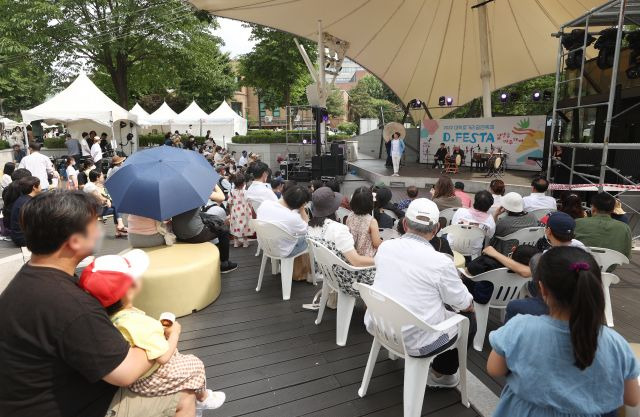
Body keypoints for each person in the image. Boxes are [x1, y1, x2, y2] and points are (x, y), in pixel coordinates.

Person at [0, 191, 198, 417]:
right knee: (183, 395)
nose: (101, 229)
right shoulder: (71, 304)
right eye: (96, 224)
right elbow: (126, 372)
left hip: (28, 400)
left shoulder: (31, 278)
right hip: (71, 406)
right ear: (74, 241)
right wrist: (159, 336)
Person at [487, 247, 640, 416]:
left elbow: (495, 369)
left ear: (542, 289)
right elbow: (632, 398)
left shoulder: (520, 327)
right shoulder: (616, 343)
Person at [79, 251, 226, 414]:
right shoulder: (139, 323)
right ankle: (203, 398)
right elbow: (163, 357)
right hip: (153, 377)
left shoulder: (109, 318)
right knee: (195, 364)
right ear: (129, 289)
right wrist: (175, 332)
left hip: (136, 379)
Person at [365, 198, 475, 387]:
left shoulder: (385, 247)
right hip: (417, 343)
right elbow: (463, 303)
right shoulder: (441, 262)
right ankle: (441, 375)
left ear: (405, 224)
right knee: (469, 320)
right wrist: (469, 306)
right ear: (436, 229)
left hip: (378, 324)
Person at [483, 211, 587, 322]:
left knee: (516, 299)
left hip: (556, 303)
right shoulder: (580, 247)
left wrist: (495, 254)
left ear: (548, 231)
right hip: (580, 298)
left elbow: (526, 272)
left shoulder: (550, 255)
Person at [307, 187, 375, 296]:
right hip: (347, 279)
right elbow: (356, 261)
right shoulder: (338, 229)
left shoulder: (310, 227)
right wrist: (379, 260)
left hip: (327, 273)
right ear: (334, 207)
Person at [171, 185, 237, 273]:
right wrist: (214, 184)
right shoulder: (196, 189)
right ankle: (224, 264)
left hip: (177, 233)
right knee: (224, 230)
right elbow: (221, 197)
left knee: (206, 217)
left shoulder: (172, 193)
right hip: (194, 235)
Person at [256, 185, 310, 258]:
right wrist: (302, 210)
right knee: (308, 240)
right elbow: (307, 230)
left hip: (265, 245)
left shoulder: (265, 203)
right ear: (301, 204)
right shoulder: (293, 217)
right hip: (283, 251)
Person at [575, 192, 632, 258]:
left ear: (593, 208)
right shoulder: (625, 228)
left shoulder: (578, 223)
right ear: (613, 210)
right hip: (610, 265)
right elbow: (627, 255)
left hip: (582, 264)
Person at [448, 190, 495, 256]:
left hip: (453, 246)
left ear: (475, 201)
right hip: (473, 251)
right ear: (489, 206)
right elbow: (490, 235)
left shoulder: (460, 211)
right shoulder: (489, 220)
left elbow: (453, 225)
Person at [83, 169, 128, 238]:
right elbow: (99, 197)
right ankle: (120, 226)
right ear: (97, 177)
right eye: (101, 175)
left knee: (115, 209)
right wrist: (107, 200)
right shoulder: (90, 186)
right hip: (93, 210)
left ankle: (118, 230)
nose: (103, 176)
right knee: (116, 207)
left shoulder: (93, 185)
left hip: (96, 208)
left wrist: (107, 201)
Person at [346, 187, 382, 257]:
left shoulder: (349, 216)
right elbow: (376, 244)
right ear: (370, 202)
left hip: (352, 254)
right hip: (367, 259)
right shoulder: (372, 221)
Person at [10, 176, 41, 247]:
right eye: (39, 185)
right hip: (23, 238)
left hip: (18, 236)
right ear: (34, 187)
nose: (41, 187)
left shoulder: (22, 199)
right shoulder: (29, 202)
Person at [228, 174, 254, 248]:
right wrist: (250, 210)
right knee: (245, 225)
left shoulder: (231, 192)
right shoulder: (245, 192)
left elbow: (230, 203)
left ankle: (236, 242)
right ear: (243, 184)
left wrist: (230, 212)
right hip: (245, 211)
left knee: (235, 225)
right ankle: (245, 242)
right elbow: (249, 202)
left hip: (235, 210)